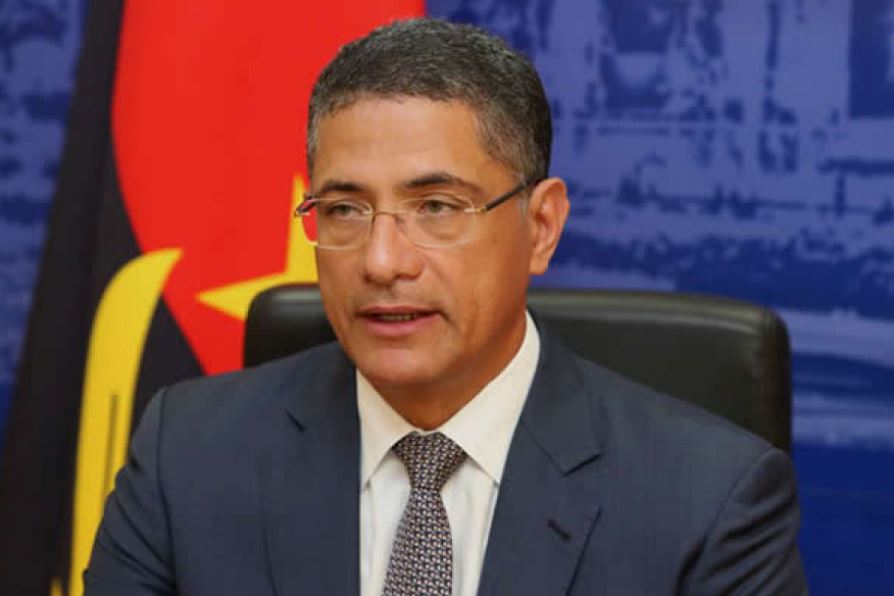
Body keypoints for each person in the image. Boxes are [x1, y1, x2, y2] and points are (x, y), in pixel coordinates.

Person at [84, 18, 807, 595]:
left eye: (436, 206)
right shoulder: (187, 455)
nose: (381, 261)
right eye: (343, 209)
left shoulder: (708, 500)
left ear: (541, 226)